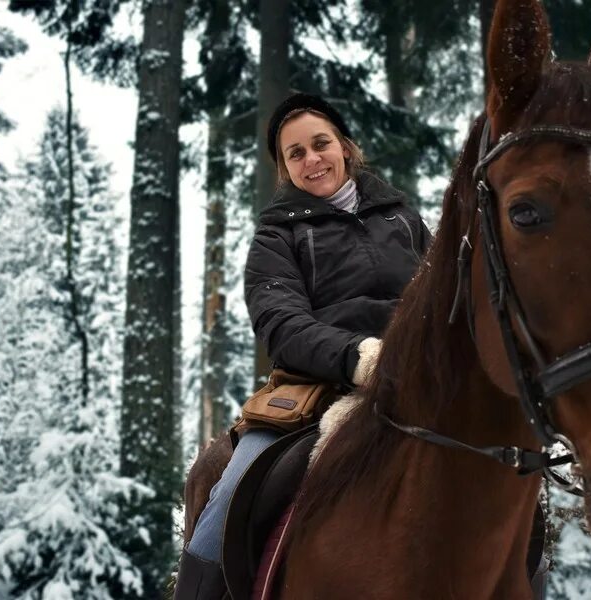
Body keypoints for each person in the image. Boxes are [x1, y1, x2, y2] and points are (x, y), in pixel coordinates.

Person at [174, 92, 431, 599]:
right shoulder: (274, 239)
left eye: (321, 144)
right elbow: (281, 324)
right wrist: (360, 357)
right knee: (225, 503)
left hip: (419, 381)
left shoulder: (404, 218)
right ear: (285, 169)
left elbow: (446, 298)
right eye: (296, 153)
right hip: (317, 392)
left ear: (345, 147)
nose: (312, 159)